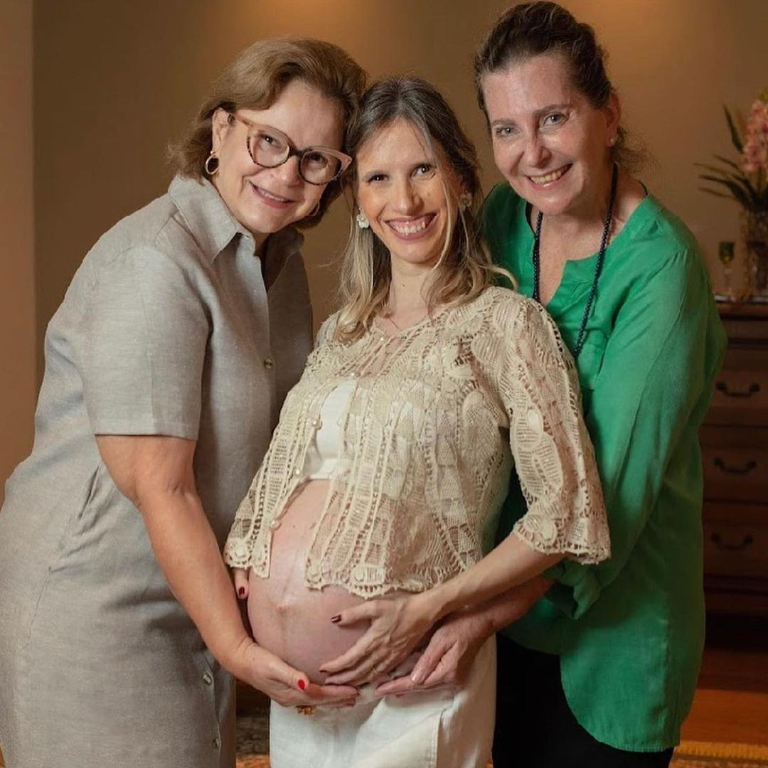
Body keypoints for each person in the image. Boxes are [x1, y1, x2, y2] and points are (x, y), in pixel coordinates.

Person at [376, 4, 727, 767]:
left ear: (608, 114)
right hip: (502, 599)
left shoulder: (663, 274)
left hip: (612, 629)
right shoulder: (505, 217)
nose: (531, 152)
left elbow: (613, 504)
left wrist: (465, 615)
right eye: (506, 128)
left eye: (554, 117)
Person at [225, 75, 610, 768]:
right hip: (301, 694)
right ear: (360, 203)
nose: (403, 200)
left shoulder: (506, 325)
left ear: (462, 181)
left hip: (414, 682)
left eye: (423, 170)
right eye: (378, 178)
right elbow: (291, 470)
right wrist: (254, 576)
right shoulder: (344, 330)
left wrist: (433, 608)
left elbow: (566, 514)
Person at [0, 38, 366, 768]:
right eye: (269, 140)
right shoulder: (156, 262)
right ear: (222, 131)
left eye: (316, 159)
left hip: (190, 599)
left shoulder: (278, 266)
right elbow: (160, 484)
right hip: (96, 607)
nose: (286, 174)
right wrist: (237, 645)